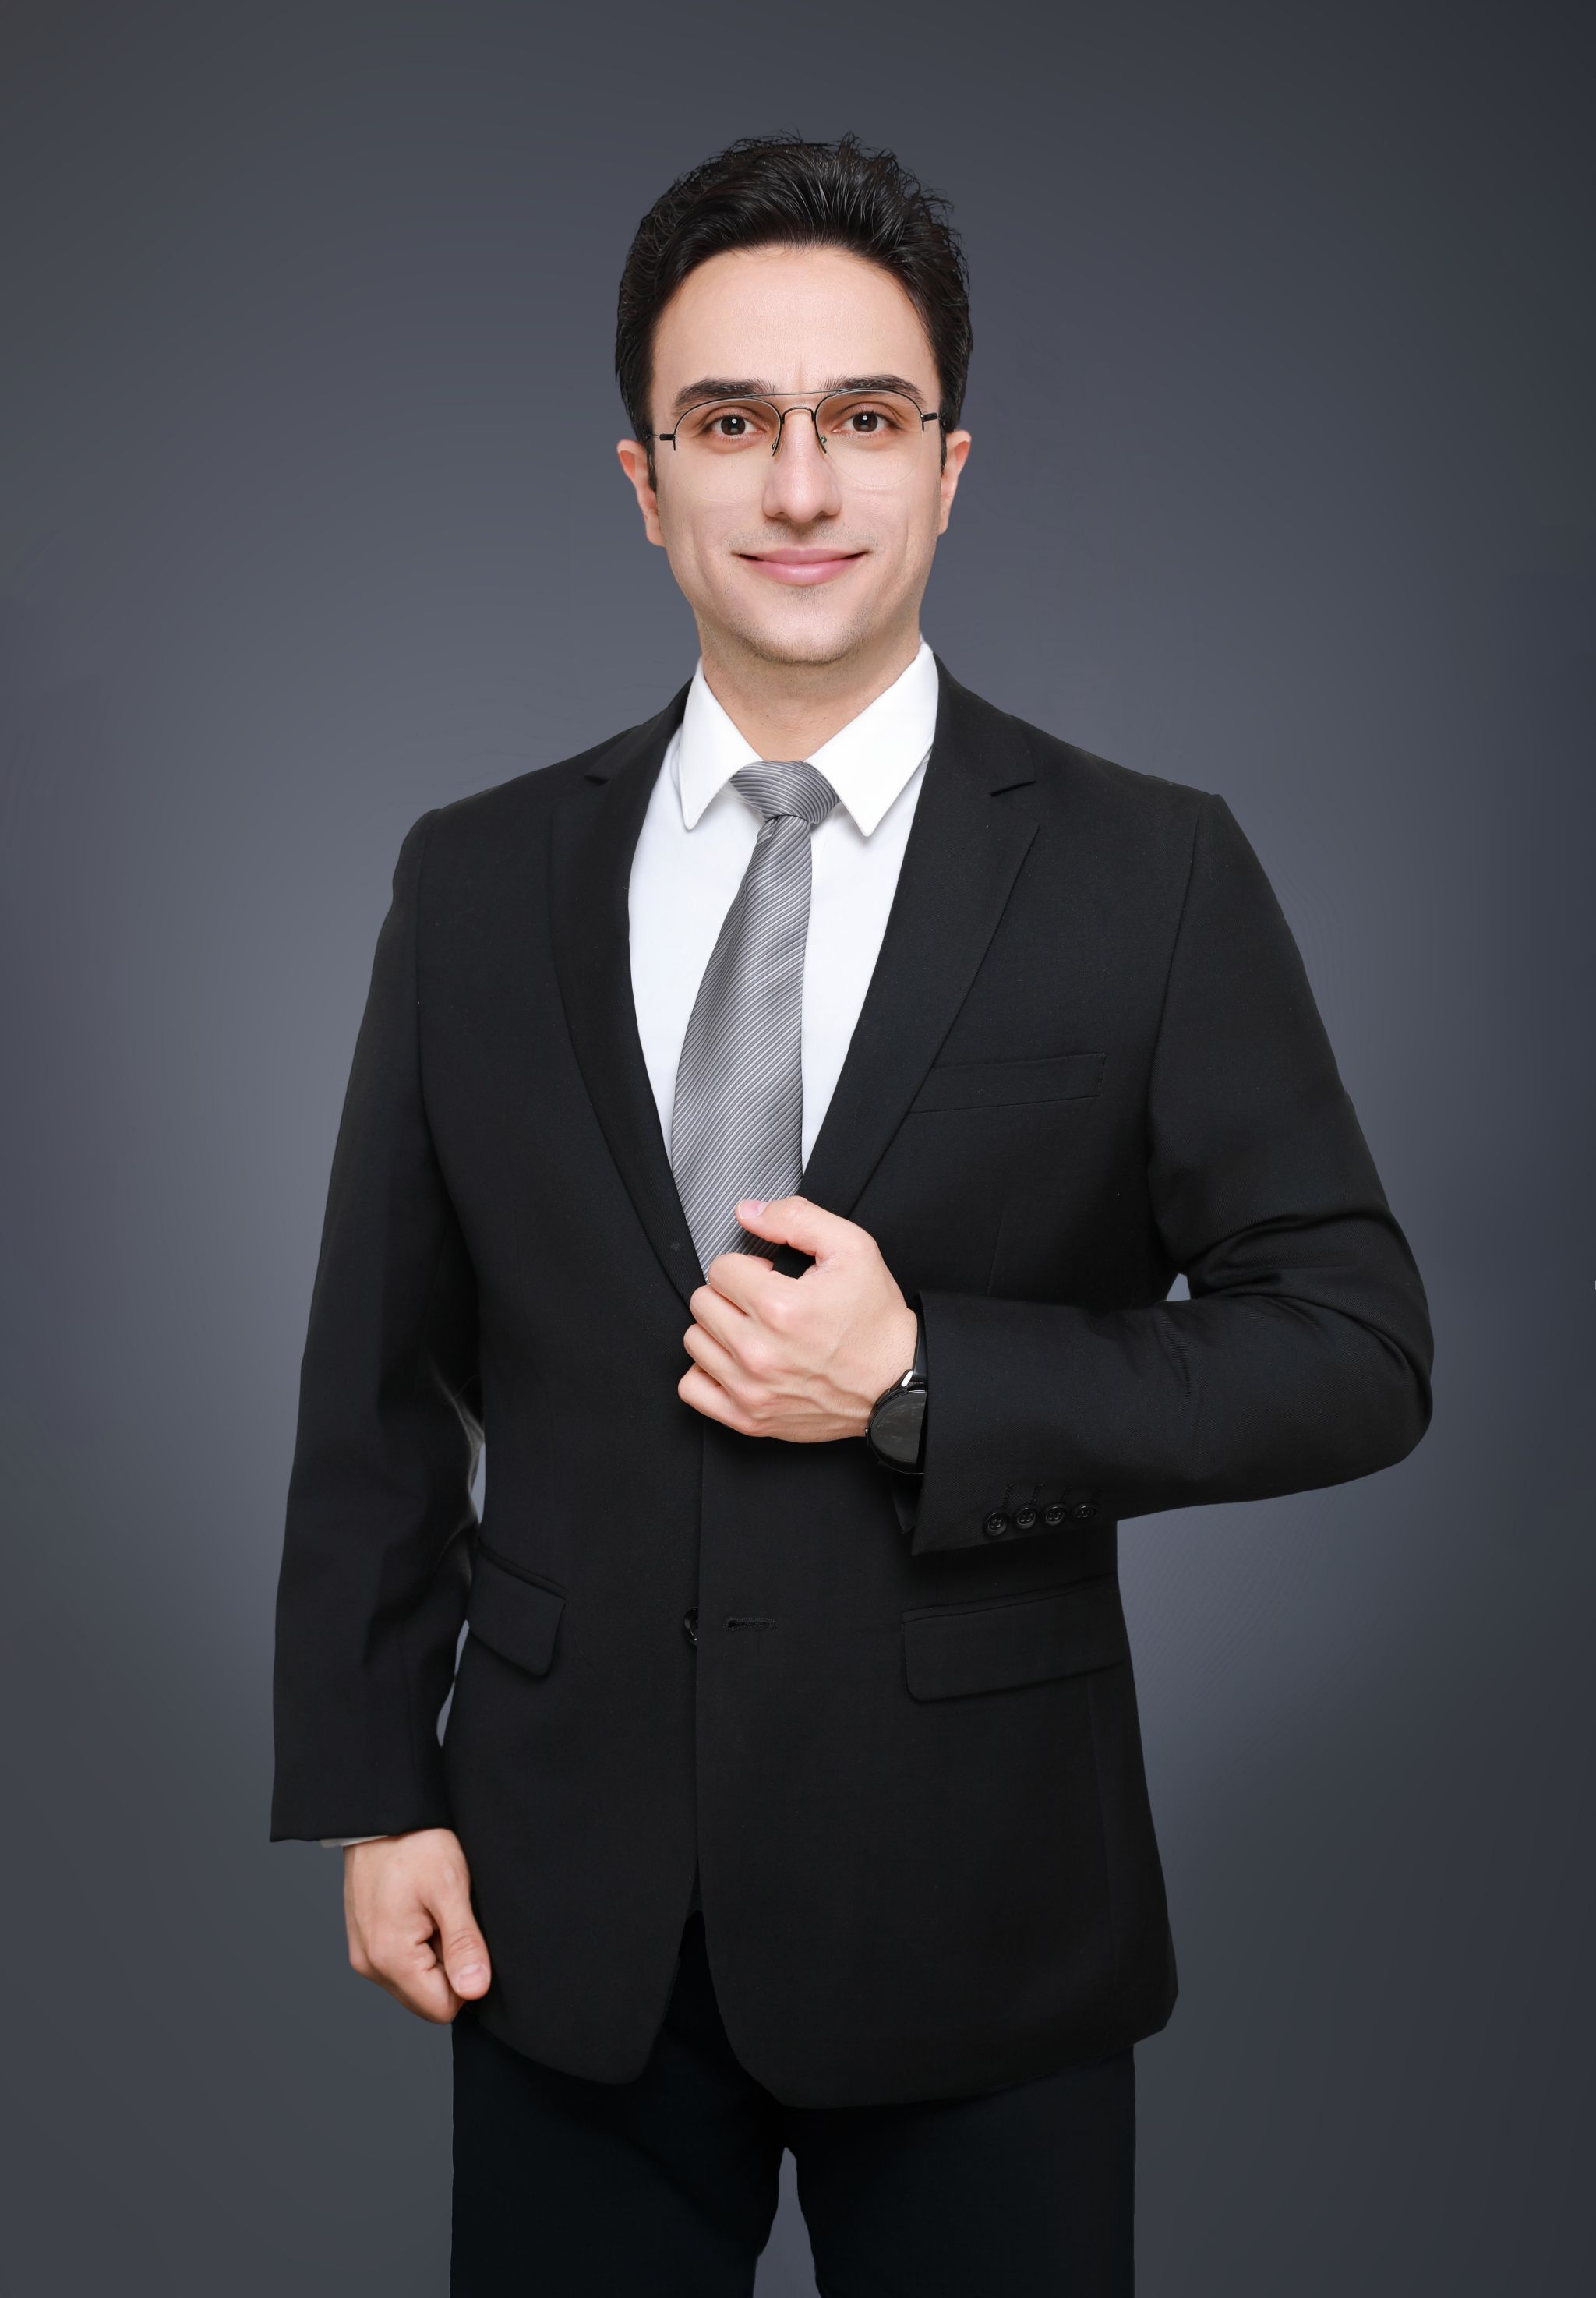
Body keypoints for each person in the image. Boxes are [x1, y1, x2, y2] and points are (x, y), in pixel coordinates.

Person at [270, 131, 1433, 2295]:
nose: (800, 485)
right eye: (731, 424)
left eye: (864, 419)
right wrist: (376, 1789)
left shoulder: (1153, 872)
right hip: (557, 1909)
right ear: (645, 483)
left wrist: (922, 1380)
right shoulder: (478, 878)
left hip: (988, 1913)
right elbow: (377, 1384)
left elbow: (1355, 1351)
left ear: (948, 469)